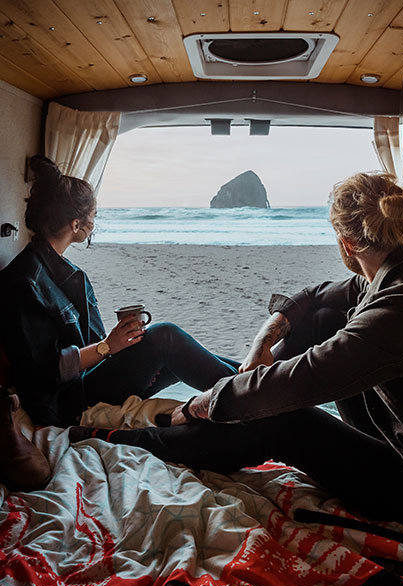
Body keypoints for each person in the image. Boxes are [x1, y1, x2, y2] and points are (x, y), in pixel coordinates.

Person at [70, 172, 403, 540]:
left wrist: (195, 408)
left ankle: (133, 441)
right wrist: (261, 346)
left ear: (346, 243)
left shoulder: (402, 312)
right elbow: (311, 298)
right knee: (323, 317)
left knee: (277, 416)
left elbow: (302, 379)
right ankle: (238, 394)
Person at [0, 156, 239, 428]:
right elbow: (40, 370)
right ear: (76, 225)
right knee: (166, 336)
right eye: (94, 216)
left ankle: (255, 380)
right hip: (66, 401)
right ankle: (249, 396)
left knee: (163, 346)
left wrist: (120, 344)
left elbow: (86, 343)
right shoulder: (25, 281)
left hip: (89, 380)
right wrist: (107, 347)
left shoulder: (61, 269)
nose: (94, 223)